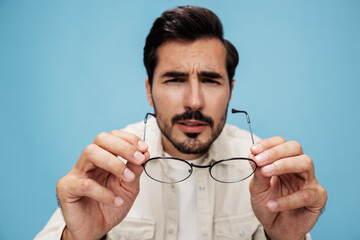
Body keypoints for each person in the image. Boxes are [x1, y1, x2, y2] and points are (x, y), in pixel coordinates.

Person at [35, 5, 327, 240]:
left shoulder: (266, 173)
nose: (194, 101)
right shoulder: (110, 167)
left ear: (231, 92)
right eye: (175, 79)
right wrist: (77, 238)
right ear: (149, 91)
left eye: (211, 80)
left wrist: (287, 239)